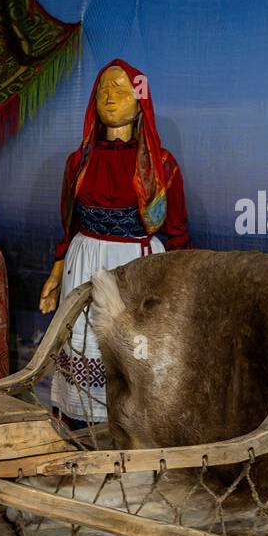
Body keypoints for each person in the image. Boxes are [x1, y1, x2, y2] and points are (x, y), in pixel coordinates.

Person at [38, 59, 190, 428]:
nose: (110, 97)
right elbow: (69, 225)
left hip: (135, 268)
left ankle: (133, 442)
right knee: (82, 346)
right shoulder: (79, 162)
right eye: (104, 89)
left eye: (121, 89)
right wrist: (56, 272)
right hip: (84, 263)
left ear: (141, 101)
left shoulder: (161, 166)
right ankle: (79, 435)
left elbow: (178, 234)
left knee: (132, 356)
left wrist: (181, 292)